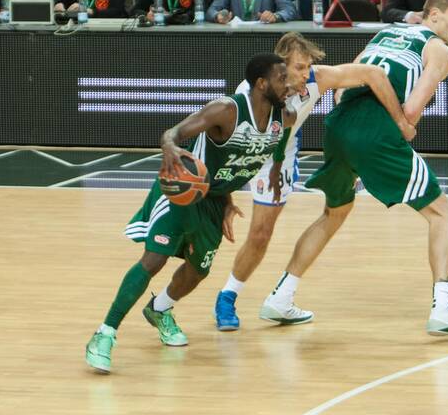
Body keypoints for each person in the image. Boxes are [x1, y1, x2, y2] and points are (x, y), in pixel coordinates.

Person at [260, 0, 448, 336]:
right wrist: (400, 127)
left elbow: (343, 86)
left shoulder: (386, 33)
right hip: (376, 128)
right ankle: (444, 308)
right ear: (434, 15)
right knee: (442, 213)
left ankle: (281, 296)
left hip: (338, 124)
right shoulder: (439, 50)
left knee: (333, 212)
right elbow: (411, 111)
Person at [84, 54, 294, 373]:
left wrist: (273, 172)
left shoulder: (285, 116)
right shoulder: (227, 110)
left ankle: (160, 309)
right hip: (184, 190)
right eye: (282, 78)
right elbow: (173, 132)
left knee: (199, 270)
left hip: (214, 198)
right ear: (262, 83)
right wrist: (168, 145)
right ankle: (104, 333)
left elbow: (278, 143)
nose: (288, 83)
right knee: (154, 260)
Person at [214, 33, 417, 330]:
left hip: (281, 154)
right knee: (240, 233)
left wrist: (399, 120)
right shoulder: (252, 90)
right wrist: (225, 196)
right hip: (253, 150)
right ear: (279, 67)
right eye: (299, 67)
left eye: (308, 66)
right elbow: (232, 145)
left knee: (262, 233)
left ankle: (253, 298)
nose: (306, 73)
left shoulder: (317, 79)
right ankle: (219, 297)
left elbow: (373, 73)